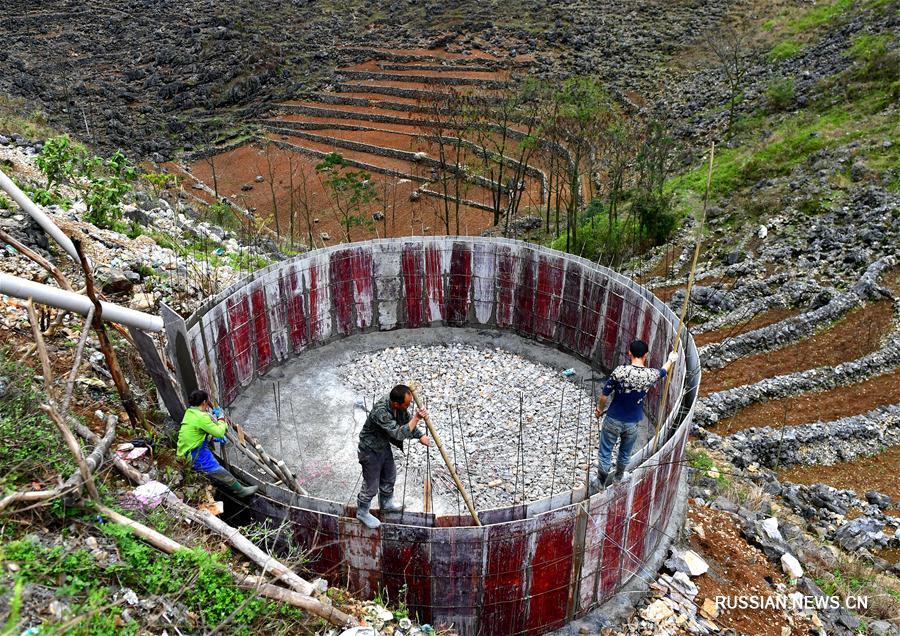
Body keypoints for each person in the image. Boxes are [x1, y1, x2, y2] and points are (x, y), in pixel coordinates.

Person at [592, 340, 678, 491]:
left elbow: (604, 395)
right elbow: (664, 370)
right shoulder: (651, 374)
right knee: (625, 453)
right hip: (632, 422)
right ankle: (618, 478)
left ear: (629, 353)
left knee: (606, 451)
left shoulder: (620, 371)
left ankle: (600, 482)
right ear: (646, 355)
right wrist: (671, 359)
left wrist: (599, 410)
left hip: (613, 418)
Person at [356, 384, 431, 529]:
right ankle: (362, 512)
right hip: (369, 450)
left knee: (389, 475)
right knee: (371, 485)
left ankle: (386, 503)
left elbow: (407, 421)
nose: (409, 406)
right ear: (396, 403)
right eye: (407, 404)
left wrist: (420, 435)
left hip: (382, 446)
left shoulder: (398, 407)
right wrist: (417, 417)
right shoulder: (381, 411)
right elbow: (398, 433)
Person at [177, 389, 258, 498]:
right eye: (207, 404)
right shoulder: (201, 417)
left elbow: (197, 433)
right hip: (195, 454)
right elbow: (220, 432)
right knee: (218, 470)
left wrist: (212, 438)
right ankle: (240, 491)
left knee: (211, 469)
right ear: (204, 402)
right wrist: (221, 418)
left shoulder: (190, 412)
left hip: (184, 451)